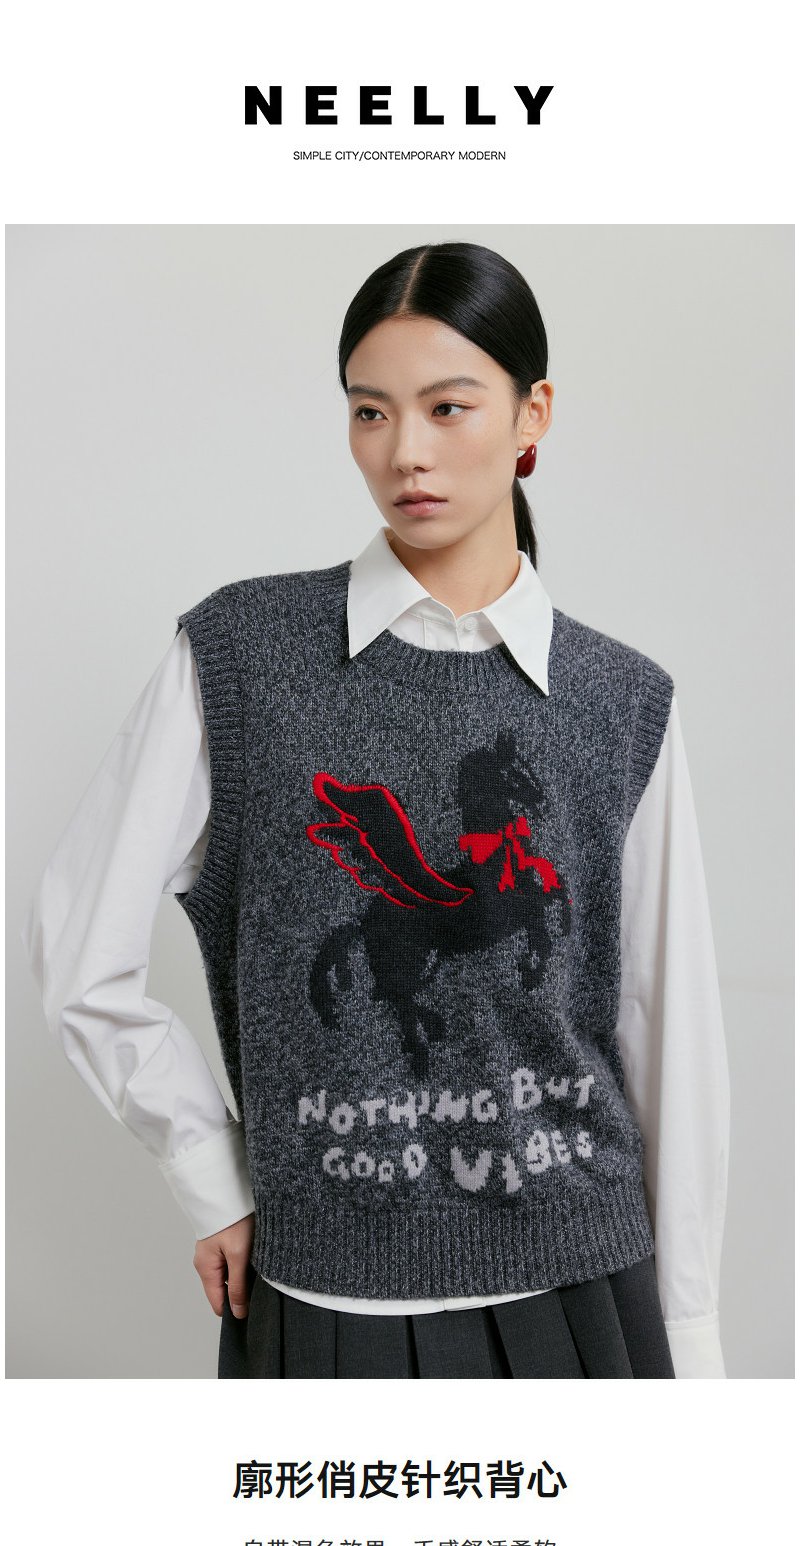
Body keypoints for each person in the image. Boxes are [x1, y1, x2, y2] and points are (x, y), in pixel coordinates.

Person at [21, 240, 730, 1379]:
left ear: (532, 414)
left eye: (448, 407)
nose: (405, 452)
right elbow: (78, 949)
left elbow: (665, 1031)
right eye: (369, 412)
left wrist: (687, 1333)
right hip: (328, 1296)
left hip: (586, 1300)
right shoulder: (242, 657)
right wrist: (212, 1176)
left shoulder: (621, 699)